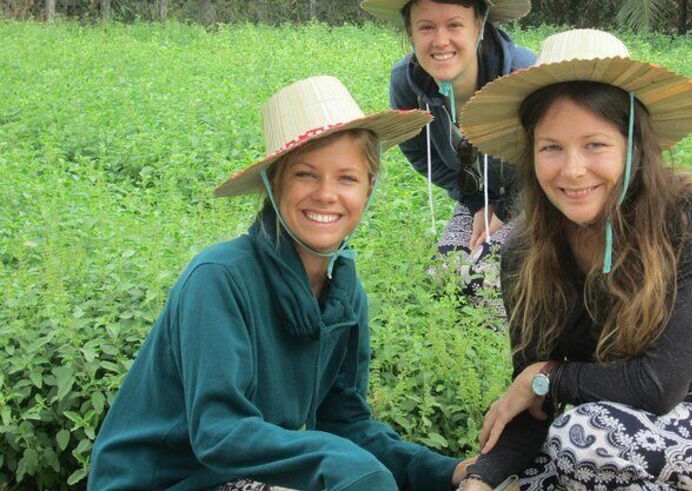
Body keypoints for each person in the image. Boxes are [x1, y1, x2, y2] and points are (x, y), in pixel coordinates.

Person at [454, 30, 692, 490]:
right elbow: (533, 400)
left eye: (595, 145)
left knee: (582, 438)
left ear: (632, 144)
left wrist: (547, 376)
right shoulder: (525, 250)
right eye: (552, 147)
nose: (572, 170)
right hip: (623, 441)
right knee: (526, 481)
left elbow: (658, 385)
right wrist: (483, 477)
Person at [88, 75, 474, 491]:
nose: (326, 195)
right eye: (306, 175)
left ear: (369, 188)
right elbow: (220, 433)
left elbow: (345, 421)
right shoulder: (219, 279)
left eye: (347, 178)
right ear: (274, 184)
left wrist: (446, 471)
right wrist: (345, 465)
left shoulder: (344, 292)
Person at [360, 0, 535, 315]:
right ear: (410, 32)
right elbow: (419, 152)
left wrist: (504, 210)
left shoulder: (526, 77)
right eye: (426, 27)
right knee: (446, 279)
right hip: (483, 197)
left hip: (543, 199)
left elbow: (552, 163)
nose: (440, 41)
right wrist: (475, 203)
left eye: (454, 24)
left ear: (479, 25)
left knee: (490, 287)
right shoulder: (407, 85)